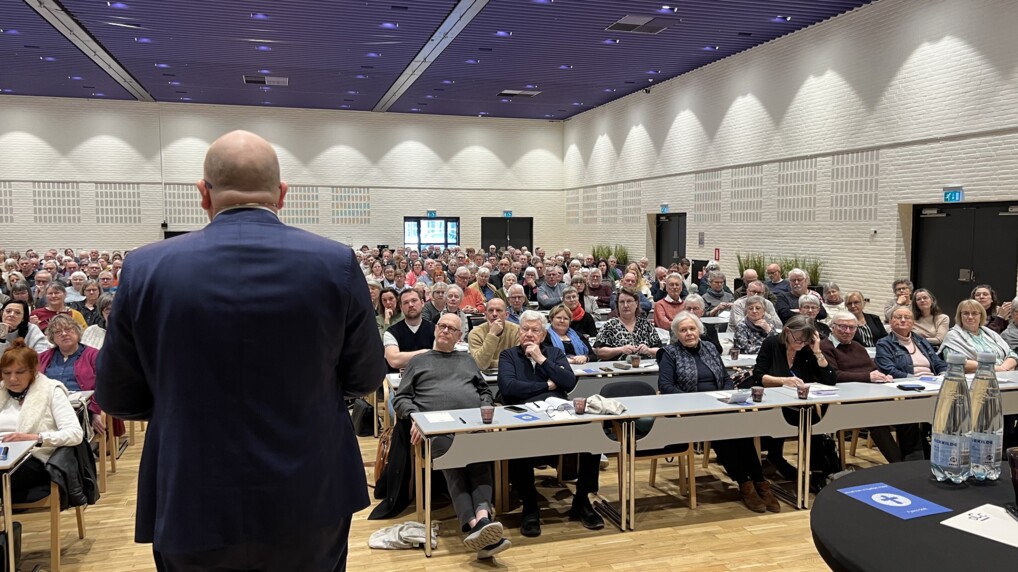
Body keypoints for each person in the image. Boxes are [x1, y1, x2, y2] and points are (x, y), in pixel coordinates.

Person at [96, 130, 386, 571]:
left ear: (203, 194)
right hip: (310, 489)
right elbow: (366, 376)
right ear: (282, 194)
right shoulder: (335, 263)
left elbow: (119, 397)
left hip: (191, 490)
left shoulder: (144, 268)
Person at [393, 314, 510, 560]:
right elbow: (401, 398)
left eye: (452, 328)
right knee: (454, 458)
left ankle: (479, 521)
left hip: (471, 423)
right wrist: (415, 417)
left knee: (479, 454)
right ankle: (476, 522)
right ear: (436, 330)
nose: (445, 331)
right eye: (442, 326)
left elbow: (484, 390)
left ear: (459, 336)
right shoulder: (419, 360)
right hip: (437, 427)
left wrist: (484, 409)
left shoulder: (467, 360)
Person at [659, 312, 779, 513]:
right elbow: (665, 386)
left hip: (719, 404)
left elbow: (725, 377)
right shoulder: (669, 353)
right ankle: (745, 484)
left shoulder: (710, 348)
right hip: (690, 411)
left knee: (742, 432)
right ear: (676, 334)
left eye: (692, 329)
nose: (689, 333)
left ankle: (760, 482)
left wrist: (726, 395)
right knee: (722, 434)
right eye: (683, 330)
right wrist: (696, 402)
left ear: (699, 330)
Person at [498, 311, 603, 537]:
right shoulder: (509, 356)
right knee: (518, 441)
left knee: (593, 439)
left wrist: (541, 359)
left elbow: (568, 382)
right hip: (524, 416)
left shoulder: (553, 354)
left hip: (558, 413)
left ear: (544, 334)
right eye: (525, 329)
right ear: (518, 332)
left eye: (535, 330)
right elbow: (509, 388)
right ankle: (530, 506)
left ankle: (582, 501)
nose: (529, 334)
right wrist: (547, 385)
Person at [827, 311, 925, 463]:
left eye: (852, 328)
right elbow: (834, 375)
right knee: (876, 422)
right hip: (848, 400)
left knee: (908, 415)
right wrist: (867, 377)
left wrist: (882, 376)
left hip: (874, 395)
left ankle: (915, 462)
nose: (848, 331)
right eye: (843, 327)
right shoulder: (826, 347)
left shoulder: (858, 347)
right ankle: (898, 465)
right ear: (832, 327)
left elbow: (872, 369)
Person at [752, 315, 836, 480]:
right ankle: (775, 458)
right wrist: (784, 381)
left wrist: (817, 351)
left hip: (799, 404)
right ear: (787, 331)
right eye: (798, 339)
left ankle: (819, 472)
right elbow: (758, 376)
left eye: (805, 341)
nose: (801, 344)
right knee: (805, 419)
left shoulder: (807, 349)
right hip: (772, 403)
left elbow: (830, 380)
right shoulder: (772, 344)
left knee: (813, 422)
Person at [0, 339, 84, 503]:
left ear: (33, 371)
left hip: (35, 459)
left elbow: (75, 434)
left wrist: (35, 438)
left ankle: (8, 528)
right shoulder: (1, 391)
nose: (12, 379)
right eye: (6, 373)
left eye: (20, 372)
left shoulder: (51, 390)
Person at [37, 314, 123, 436]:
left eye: (68, 329)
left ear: (77, 332)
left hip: (84, 408)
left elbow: (105, 386)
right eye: (58, 332)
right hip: (48, 406)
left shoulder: (94, 355)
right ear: (52, 338)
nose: (64, 334)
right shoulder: (42, 357)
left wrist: (96, 411)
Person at [941, 299, 1018, 373]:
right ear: (960, 316)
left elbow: (1011, 354)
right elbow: (955, 360)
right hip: (974, 378)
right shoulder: (953, 336)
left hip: (1004, 374)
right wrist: (995, 369)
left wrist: (1003, 369)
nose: (970, 317)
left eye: (974, 313)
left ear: (981, 316)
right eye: (966, 313)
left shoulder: (989, 333)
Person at [595, 288, 663, 361]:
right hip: (617, 370)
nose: (625, 305)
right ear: (617, 305)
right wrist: (620, 350)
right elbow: (599, 352)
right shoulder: (609, 325)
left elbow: (660, 351)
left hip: (645, 369)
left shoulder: (646, 325)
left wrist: (648, 350)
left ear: (636, 303)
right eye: (621, 302)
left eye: (629, 301)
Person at [383, 289, 436, 372]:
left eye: (414, 300)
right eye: (406, 302)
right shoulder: (391, 332)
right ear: (401, 307)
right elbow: (394, 361)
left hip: (429, 380)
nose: (410, 305)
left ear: (422, 303)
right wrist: (428, 352)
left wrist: (404, 358)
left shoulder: (435, 329)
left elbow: (440, 357)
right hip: (399, 382)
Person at [468, 298, 520, 370]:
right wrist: (492, 334)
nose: (494, 314)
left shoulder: (517, 330)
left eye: (498, 310)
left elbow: (519, 361)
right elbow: (480, 364)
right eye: (491, 310)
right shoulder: (475, 333)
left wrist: (490, 363)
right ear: (485, 315)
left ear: (506, 315)